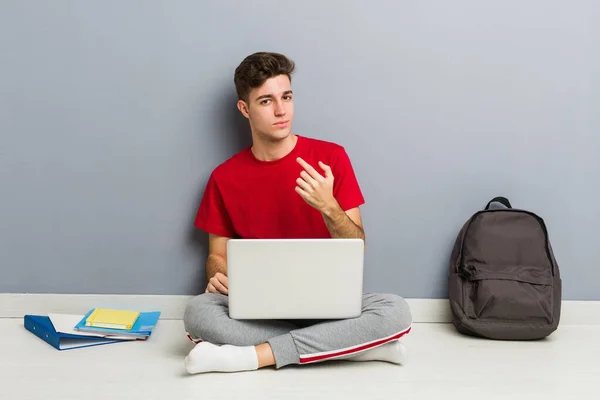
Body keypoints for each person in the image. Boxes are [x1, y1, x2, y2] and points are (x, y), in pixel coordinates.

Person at [183, 52, 412, 374]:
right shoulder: (224, 176)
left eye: (286, 97)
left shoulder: (330, 157)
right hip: (258, 309)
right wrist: (217, 274)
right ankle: (350, 348)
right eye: (266, 101)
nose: (281, 110)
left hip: (329, 307)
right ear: (244, 109)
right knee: (198, 312)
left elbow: (356, 247)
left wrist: (328, 206)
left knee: (395, 310)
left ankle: (252, 357)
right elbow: (216, 254)